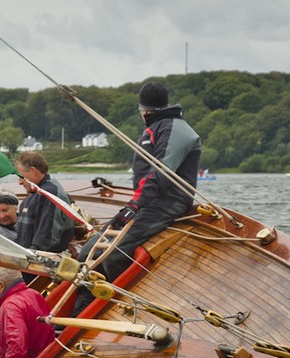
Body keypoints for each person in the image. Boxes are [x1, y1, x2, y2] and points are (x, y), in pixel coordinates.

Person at [78, 81, 201, 285]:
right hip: (148, 203)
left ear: (142, 110)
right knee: (88, 252)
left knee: (112, 254)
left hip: (166, 204)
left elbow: (161, 171)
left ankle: (115, 297)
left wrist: (135, 205)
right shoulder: (156, 127)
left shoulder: (176, 130)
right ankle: (84, 298)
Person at [14, 152, 75, 253]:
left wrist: (28, 255)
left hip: (40, 261)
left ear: (33, 171)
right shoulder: (36, 194)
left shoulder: (49, 194)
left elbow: (47, 239)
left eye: (21, 176)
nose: (19, 182)